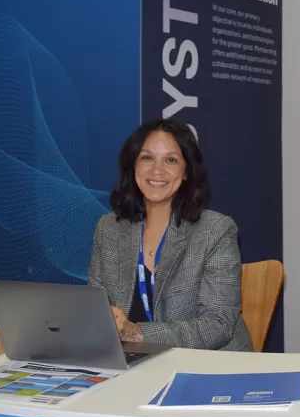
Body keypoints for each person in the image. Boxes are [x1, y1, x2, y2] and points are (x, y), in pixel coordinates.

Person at [88, 119, 253, 351]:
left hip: (205, 366)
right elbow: (97, 310)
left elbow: (218, 325)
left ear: (186, 172)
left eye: (171, 160)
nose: (157, 170)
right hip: (132, 364)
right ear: (132, 166)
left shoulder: (215, 230)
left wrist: (136, 333)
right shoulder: (108, 229)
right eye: (147, 158)